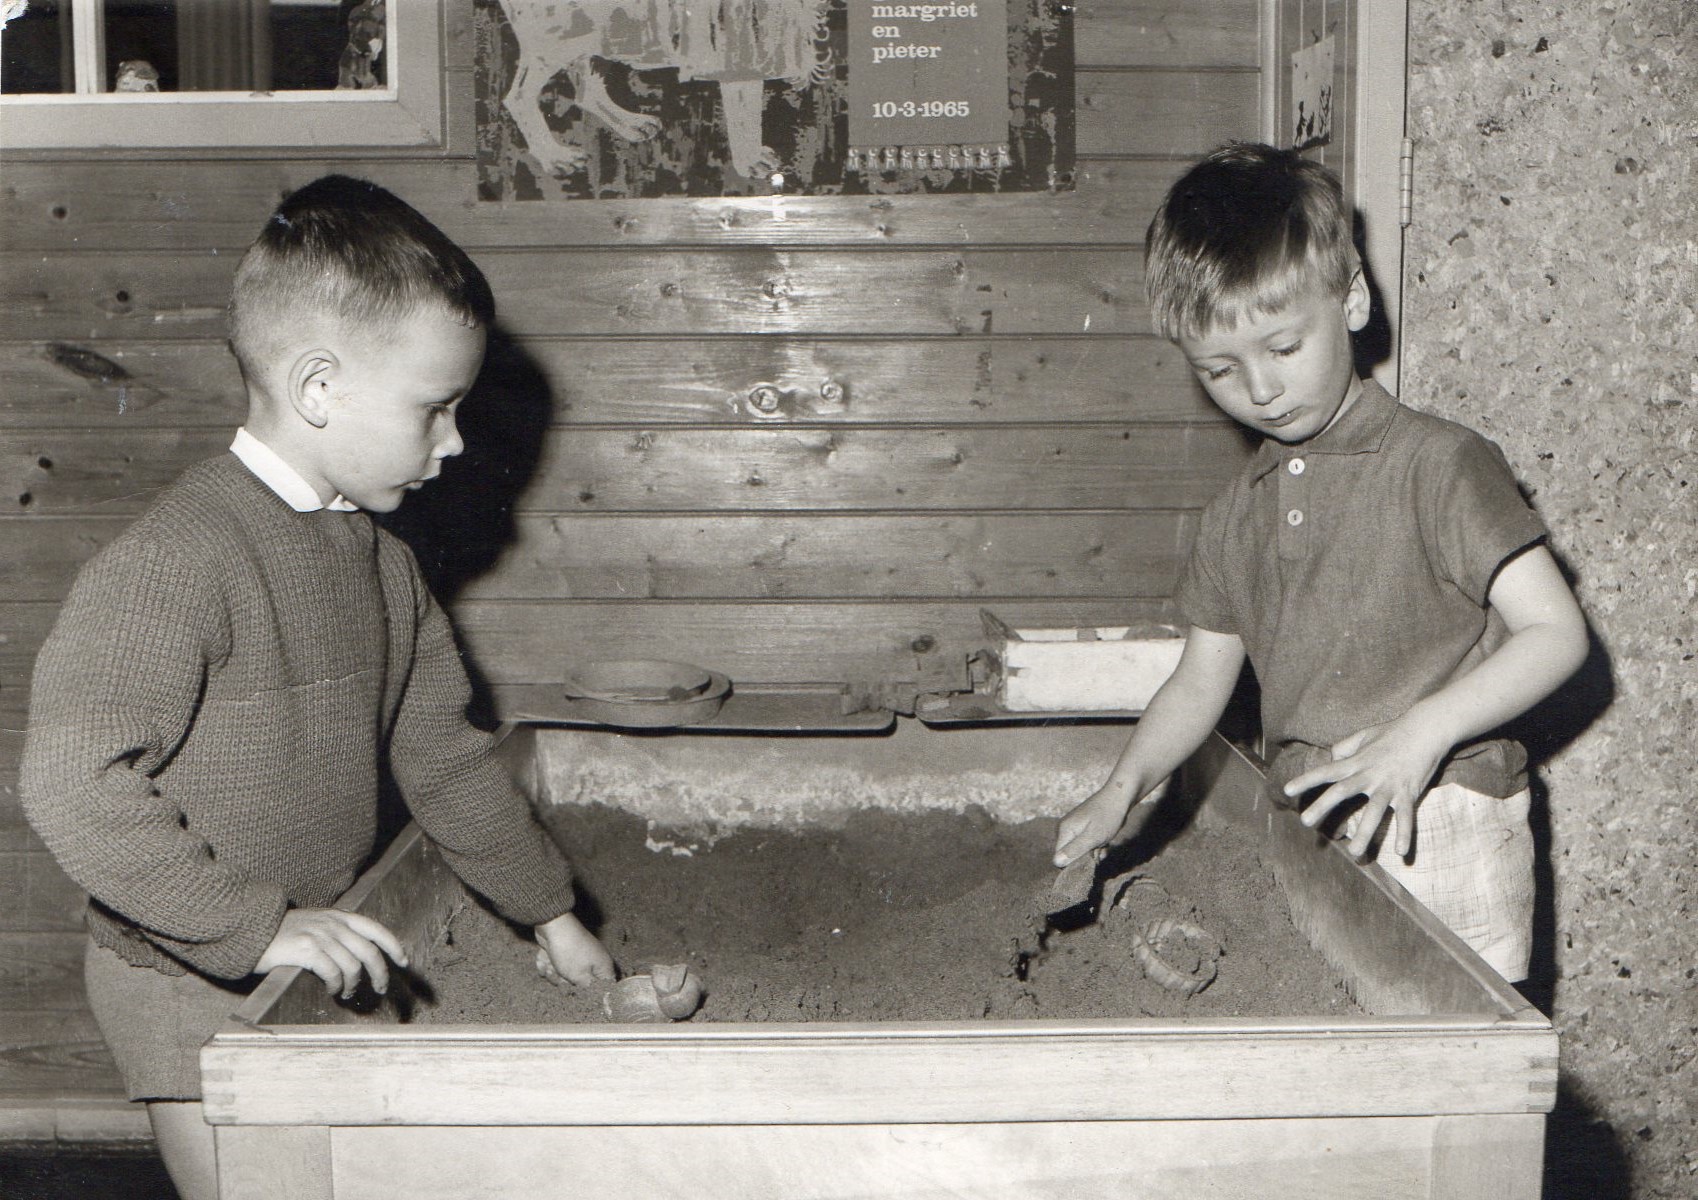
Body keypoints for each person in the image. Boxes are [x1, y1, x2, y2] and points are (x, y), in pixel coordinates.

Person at [20, 175, 616, 1199]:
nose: (457, 441)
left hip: (311, 950)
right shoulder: (177, 559)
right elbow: (70, 786)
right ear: (320, 389)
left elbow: (443, 753)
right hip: (182, 974)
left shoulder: (380, 561)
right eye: (434, 408)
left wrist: (550, 914)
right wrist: (256, 926)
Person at [1054, 143, 1588, 985]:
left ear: (1351, 301)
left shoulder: (1439, 466)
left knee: (1458, 1081)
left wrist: (1422, 734)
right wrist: (1124, 785)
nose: (1259, 389)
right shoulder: (1236, 514)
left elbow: (1556, 635)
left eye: (1283, 346)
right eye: (1220, 370)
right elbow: (1199, 683)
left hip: (1442, 809)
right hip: (1314, 822)